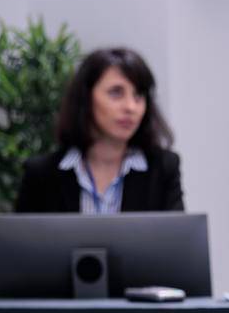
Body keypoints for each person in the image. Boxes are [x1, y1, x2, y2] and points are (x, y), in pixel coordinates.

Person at [15, 47, 184, 213]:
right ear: (86, 98)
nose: (131, 107)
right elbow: (22, 240)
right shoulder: (41, 173)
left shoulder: (163, 169)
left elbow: (178, 239)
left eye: (138, 95)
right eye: (116, 93)